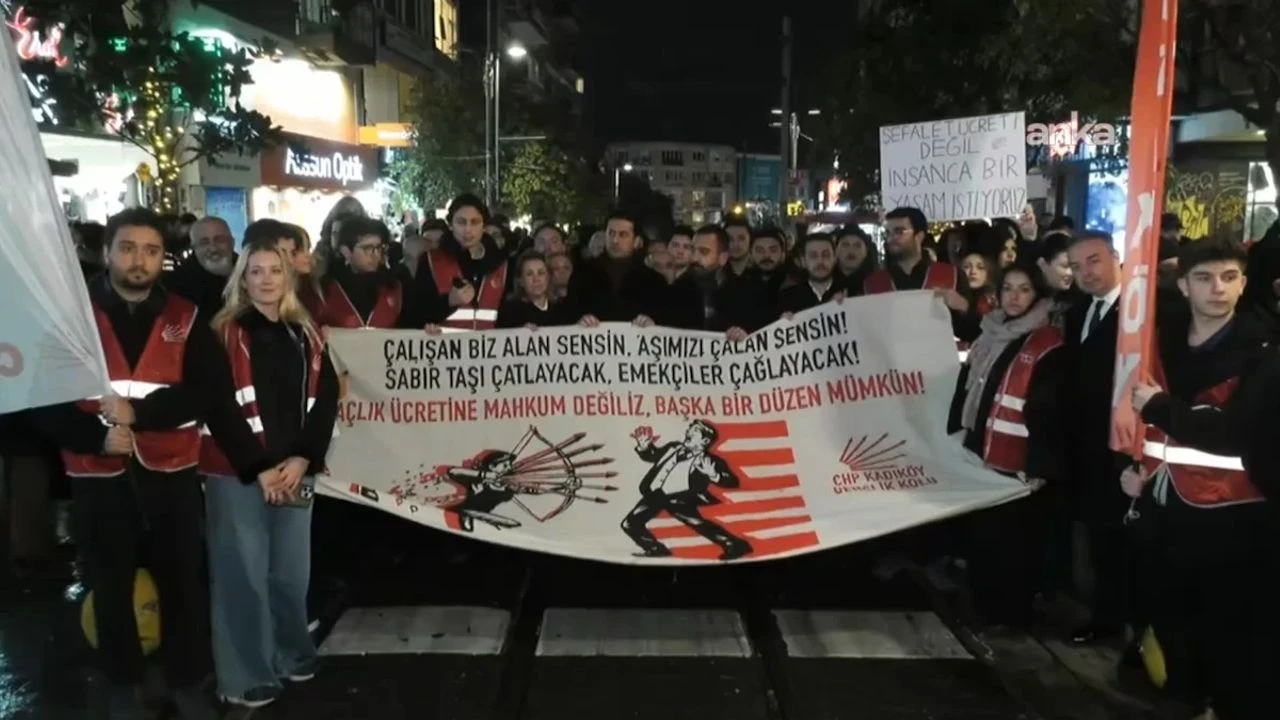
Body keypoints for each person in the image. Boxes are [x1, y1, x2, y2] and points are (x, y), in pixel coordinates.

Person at [34, 208, 273, 720]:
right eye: (127, 248)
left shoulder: (186, 316)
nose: (138, 260)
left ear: (165, 257)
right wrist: (96, 437)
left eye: (150, 250)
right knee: (110, 584)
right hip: (97, 474)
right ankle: (122, 684)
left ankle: (187, 679)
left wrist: (140, 415)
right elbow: (45, 400)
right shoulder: (73, 319)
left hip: (171, 474)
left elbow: (210, 393)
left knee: (182, 582)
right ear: (106, 252)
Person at [1127, 237, 1274, 719]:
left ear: (1244, 284)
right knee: (1169, 609)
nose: (1218, 289)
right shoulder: (1157, 340)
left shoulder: (1264, 351)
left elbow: (1236, 432)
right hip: (1164, 502)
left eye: (1229, 278)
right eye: (1205, 278)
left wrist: (1160, 407)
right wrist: (1138, 466)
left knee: (1228, 623)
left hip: (1235, 512)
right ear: (1184, 285)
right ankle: (1183, 694)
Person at [198, 227, 340, 708]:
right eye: (255, 271)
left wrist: (302, 458)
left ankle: (290, 652)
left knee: (290, 574)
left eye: (275, 270)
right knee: (242, 575)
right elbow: (219, 408)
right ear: (242, 279)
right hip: (238, 473)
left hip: (296, 471)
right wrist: (260, 468)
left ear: (288, 277)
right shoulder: (222, 333)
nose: (266, 279)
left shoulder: (306, 333)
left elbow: (326, 400)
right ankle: (244, 675)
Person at [950, 260, 1067, 627]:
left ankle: (1012, 614)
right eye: (1008, 289)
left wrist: (1040, 465)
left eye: (1024, 289)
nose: (1015, 297)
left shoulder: (1048, 343)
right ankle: (983, 608)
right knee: (983, 538)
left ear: (1038, 295)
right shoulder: (991, 331)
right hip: (982, 452)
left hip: (1020, 462)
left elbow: (1050, 411)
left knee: (1016, 544)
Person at [496, 251, 575, 328]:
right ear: (520, 281)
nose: (536, 279)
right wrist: (519, 331)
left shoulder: (562, 309)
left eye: (540, 273)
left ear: (548, 277)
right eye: (529, 274)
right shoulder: (509, 312)